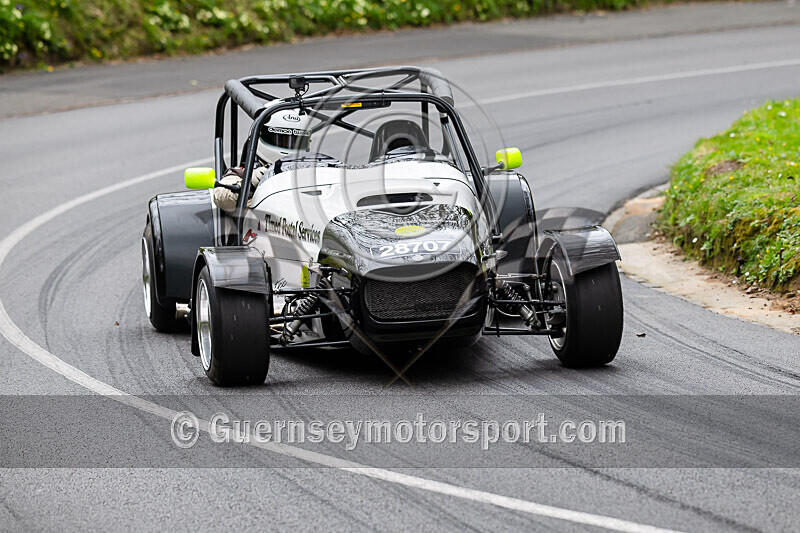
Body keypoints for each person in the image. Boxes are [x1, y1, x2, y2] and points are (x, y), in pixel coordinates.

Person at [213, 106, 312, 213]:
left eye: (295, 142)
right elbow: (221, 195)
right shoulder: (242, 172)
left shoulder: (309, 171)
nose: (288, 147)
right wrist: (260, 177)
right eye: (281, 140)